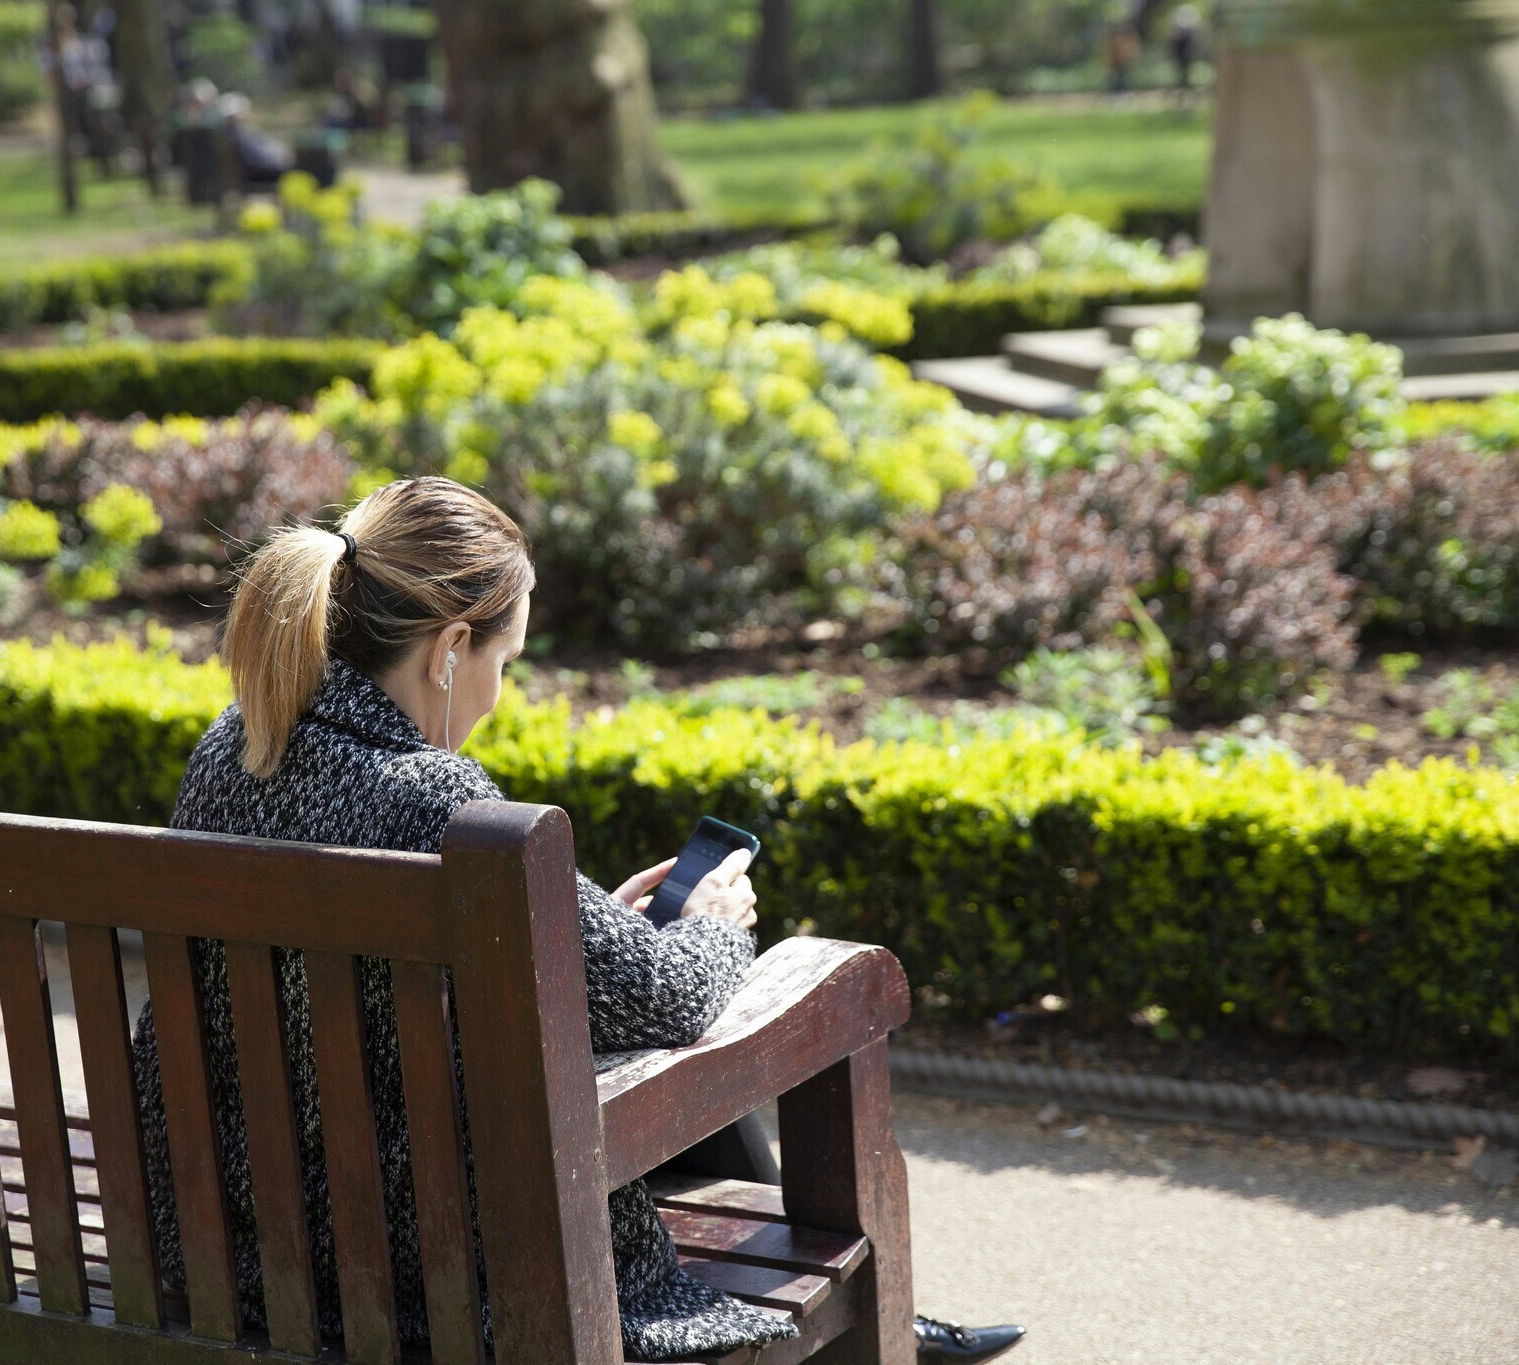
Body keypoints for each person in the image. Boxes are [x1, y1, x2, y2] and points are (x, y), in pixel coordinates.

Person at [129, 477, 1026, 1364]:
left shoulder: (237, 742)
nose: (500, 691)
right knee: (697, 1029)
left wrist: (583, 931)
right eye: (506, 661)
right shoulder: (433, 796)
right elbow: (670, 998)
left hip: (220, 1235)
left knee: (613, 1015)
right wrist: (714, 921)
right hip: (404, 1261)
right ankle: (874, 1326)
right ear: (450, 649)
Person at [1106, 22, 1141, 98]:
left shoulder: (1125, 40)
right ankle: (1116, 92)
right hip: (1117, 62)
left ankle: (1121, 92)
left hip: (1122, 62)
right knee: (1117, 79)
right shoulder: (1116, 41)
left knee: (1122, 78)